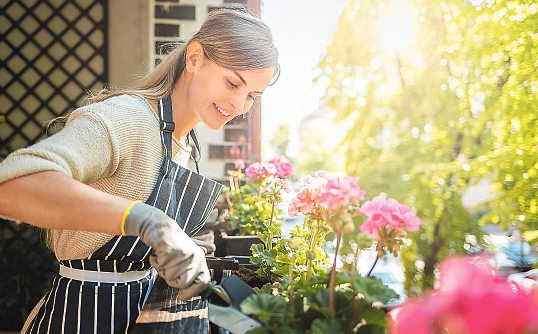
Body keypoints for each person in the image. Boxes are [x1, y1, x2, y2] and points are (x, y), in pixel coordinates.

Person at [0, 7, 278, 333]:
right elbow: (12, 185)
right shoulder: (128, 118)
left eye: (252, 97)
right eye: (232, 82)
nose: (238, 106)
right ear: (194, 58)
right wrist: (147, 221)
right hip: (83, 317)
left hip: (140, 311)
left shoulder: (186, 144)